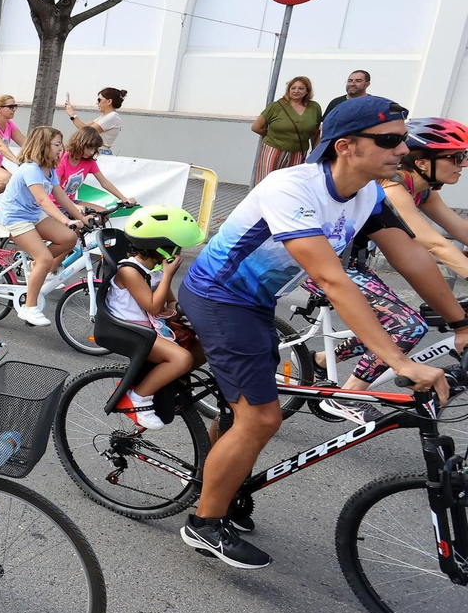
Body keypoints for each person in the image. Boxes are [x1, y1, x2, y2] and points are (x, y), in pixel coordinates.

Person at [178, 96, 467, 569]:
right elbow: (332, 280)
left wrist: (460, 324)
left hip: (257, 301)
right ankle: (204, 522)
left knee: (246, 408)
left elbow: (412, 256)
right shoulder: (292, 188)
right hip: (219, 296)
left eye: (403, 139)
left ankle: (217, 479)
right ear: (346, 146)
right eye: (390, 140)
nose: (403, 150)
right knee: (261, 418)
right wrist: (399, 361)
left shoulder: (368, 193)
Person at [302, 117, 468, 407]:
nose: (463, 164)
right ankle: (347, 397)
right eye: (456, 157)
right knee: (408, 325)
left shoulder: (423, 190)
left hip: (354, 265)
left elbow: (461, 230)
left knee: (392, 322)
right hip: (321, 265)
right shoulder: (392, 188)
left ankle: (321, 360)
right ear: (423, 162)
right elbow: (434, 243)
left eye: (464, 156)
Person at [105, 206, 207, 428]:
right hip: (128, 330)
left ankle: (167, 380)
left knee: (203, 345)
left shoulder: (155, 269)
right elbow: (153, 307)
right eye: (177, 248)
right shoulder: (129, 271)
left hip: (150, 326)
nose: (179, 253)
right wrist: (168, 275)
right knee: (182, 359)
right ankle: (137, 398)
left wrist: (186, 311)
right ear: (162, 249)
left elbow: (170, 303)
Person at [0, 127, 90, 326]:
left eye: (61, 144)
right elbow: (43, 200)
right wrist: (67, 221)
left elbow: (61, 197)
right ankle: (29, 308)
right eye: (57, 144)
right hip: (14, 218)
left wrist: (83, 218)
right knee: (45, 258)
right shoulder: (30, 169)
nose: (61, 149)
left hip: (33, 216)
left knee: (69, 238)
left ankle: (37, 265)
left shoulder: (49, 169)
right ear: (43, 145)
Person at [249, 76, 321, 183]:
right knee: (267, 182)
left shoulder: (314, 107)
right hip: (274, 150)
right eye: (293, 88)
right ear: (288, 90)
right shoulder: (276, 106)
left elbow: (315, 132)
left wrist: (315, 152)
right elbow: (256, 127)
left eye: (301, 88)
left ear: (307, 91)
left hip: (298, 152)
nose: (296, 91)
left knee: (292, 184)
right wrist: (272, 135)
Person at [58, 127, 136, 208]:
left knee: (103, 213)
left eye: (94, 149)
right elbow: (56, 188)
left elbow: (104, 182)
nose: (92, 152)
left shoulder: (89, 162)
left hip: (71, 202)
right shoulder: (62, 159)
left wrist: (124, 199)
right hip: (56, 204)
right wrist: (73, 206)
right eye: (89, 148)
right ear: (80, 143)